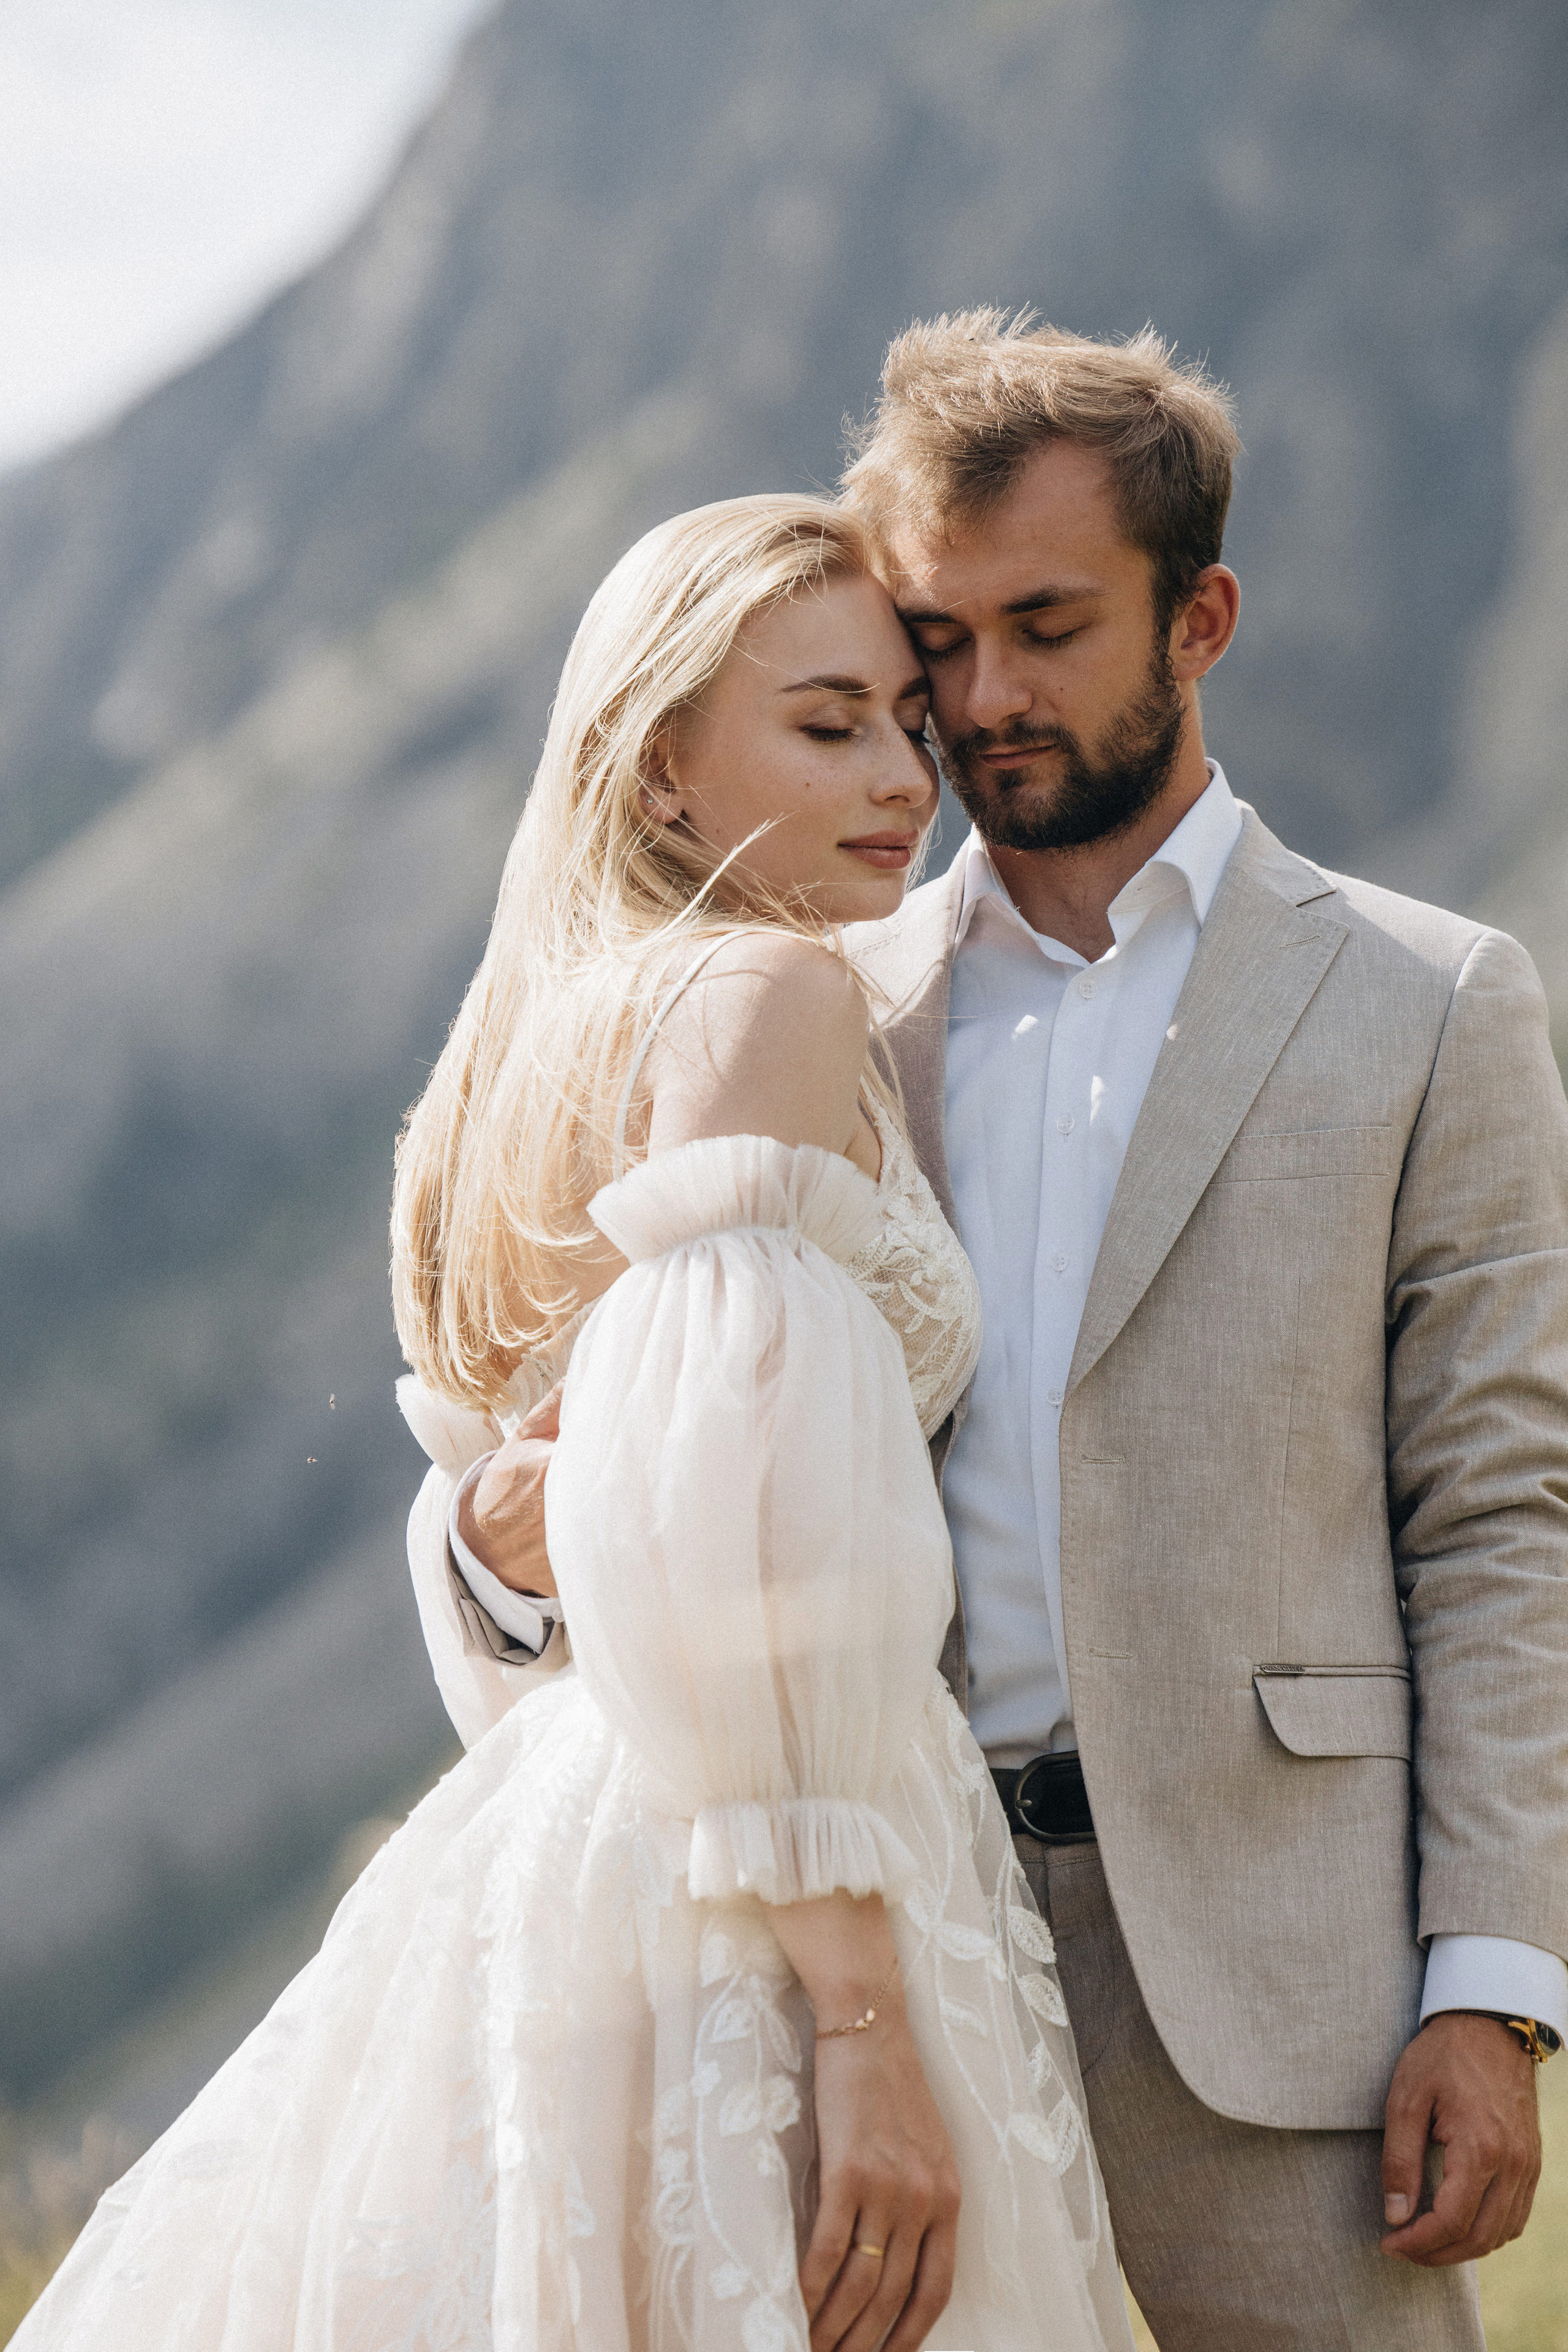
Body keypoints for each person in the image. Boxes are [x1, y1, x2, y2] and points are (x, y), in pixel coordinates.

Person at [453, 318, 1568, 2352]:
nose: (978, 704)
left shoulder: (1434, 1002)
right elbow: (612, 1463)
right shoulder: (797, 999)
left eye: (1044, 627)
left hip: (1286, 2002)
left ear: (1201, 616)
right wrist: (492, 1559)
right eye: (935, 643)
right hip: (872, 1965)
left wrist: (1491, 1991)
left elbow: (1500, 1520)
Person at [15, 496, 1134, 2352]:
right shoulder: (763, 996)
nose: (903, 780)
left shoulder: (506, 1068)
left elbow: (524, 1542)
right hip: (790, 1889)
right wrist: (859, 2031)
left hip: (568, 1857)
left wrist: (493, 1548)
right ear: (665, 766)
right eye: (831, 721)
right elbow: (746, 1550)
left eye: (910, 729)